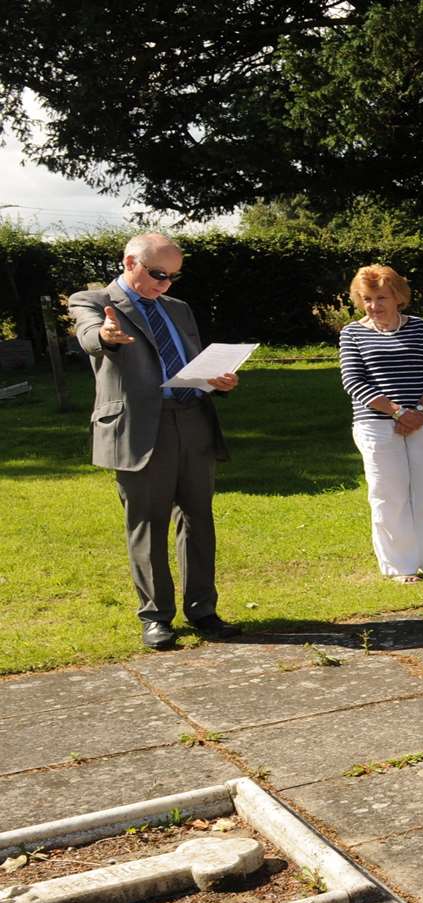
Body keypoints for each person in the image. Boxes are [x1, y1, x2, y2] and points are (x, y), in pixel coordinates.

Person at [70, 233, 242, 649]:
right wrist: (106, 336)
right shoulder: (92, 300)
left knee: (198, 519)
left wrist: (219, 381)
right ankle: (155, 617)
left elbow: (191, 361)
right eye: (158, 275)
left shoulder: (178, 309)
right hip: (140, 427)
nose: (164, 285)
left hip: (194, 418)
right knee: (148, 522)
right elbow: (90, 335)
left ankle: (203, 610)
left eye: (172, 278)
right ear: (130, 262)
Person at [338, 265, 423, 583]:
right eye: (368, 299)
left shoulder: (422, 328)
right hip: (376, 424)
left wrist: (418, 411)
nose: (375, 306)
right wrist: (397, 412)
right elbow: (353, 381)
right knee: (389, 495)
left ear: (398, 297)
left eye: (382, 298)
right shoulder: (352, 333)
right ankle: (399, 566)